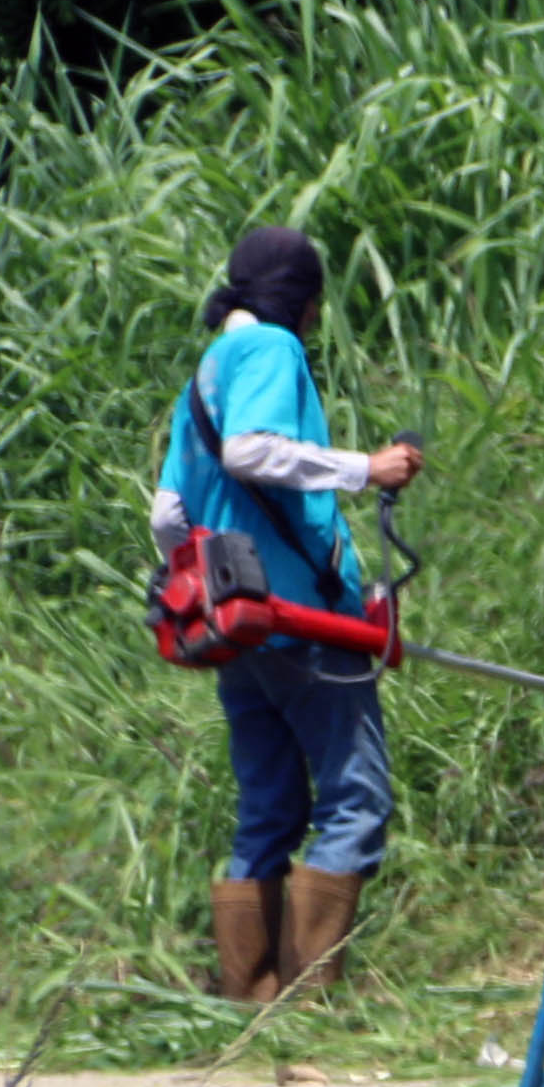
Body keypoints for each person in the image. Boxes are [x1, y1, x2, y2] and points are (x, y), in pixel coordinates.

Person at [157, 224, 420, 1003]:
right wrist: (362, 469)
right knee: (356, 796)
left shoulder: (204, 373)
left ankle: (249, 1002)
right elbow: (250, 451)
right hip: (302, 621)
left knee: (270, 807)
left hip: (235, 631)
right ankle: (306, 1004)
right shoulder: (271, 349)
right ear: (300, 300)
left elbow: (169, 516)